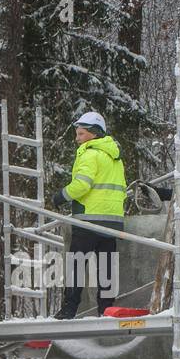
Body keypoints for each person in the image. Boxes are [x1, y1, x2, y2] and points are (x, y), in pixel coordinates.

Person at [52, 111, 127, 319]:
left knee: (76, 264)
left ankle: (69, 309)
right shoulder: (115, 157)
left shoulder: (90, 153)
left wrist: (60, 196)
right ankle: (106, 309)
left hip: (89, 219)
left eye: (81, 134)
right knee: (106, 267)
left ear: (94, 134)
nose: (77, 138)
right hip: (112, 221)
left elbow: (82, 185)